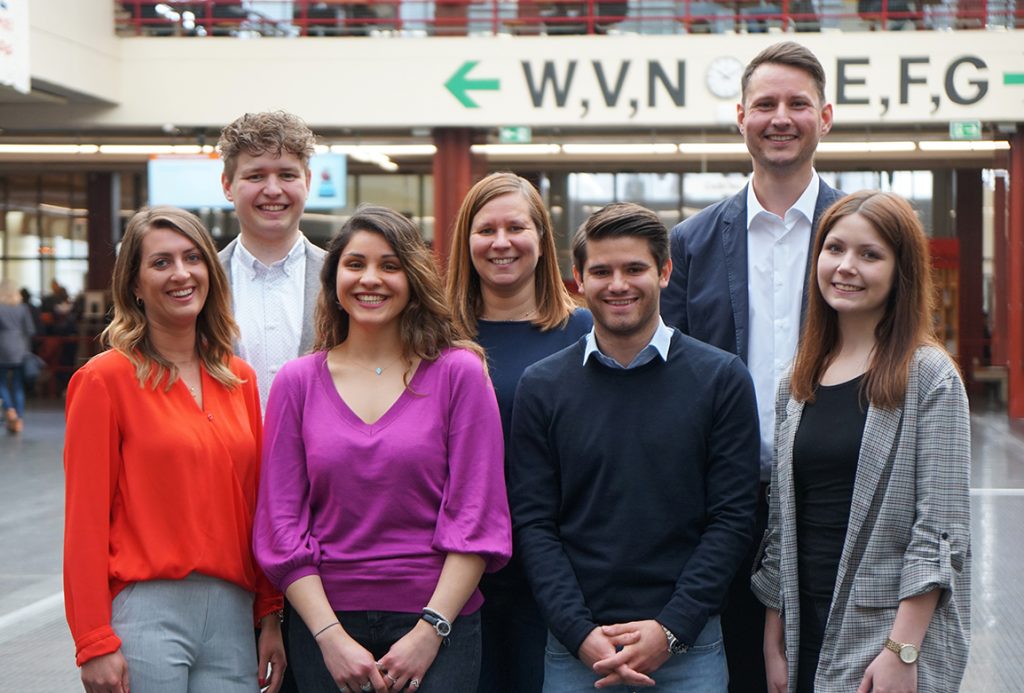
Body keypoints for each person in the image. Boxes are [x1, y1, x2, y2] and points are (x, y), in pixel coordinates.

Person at [253, 205, 512, 693]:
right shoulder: (297, 382)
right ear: (333, 279)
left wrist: (430, 631)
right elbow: (280, 525)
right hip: (325, 624)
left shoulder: (459, 373)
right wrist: (329, 637)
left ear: (412, 278)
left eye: (389, 265)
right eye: (355, 264)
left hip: (439, 625)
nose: (371, 279)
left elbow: (478, 516)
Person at [509, 202, 760, 692]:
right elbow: (533, 522)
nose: (618, 284)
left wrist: (671, 629)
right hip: (577, 649)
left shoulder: (721, 379)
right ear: (577, 279)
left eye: (634, 269)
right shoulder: (541, 386)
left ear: (664, 272)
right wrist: (579, 632)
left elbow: (733, 518)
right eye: (601, 271)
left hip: (688, 647)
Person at [660, 41, 844, 693]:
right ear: (740, 116)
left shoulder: (863, 235)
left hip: (834, 497)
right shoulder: (689, 244)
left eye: (798, 103)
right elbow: (670, 383)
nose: (780, 117)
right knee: (736, 668)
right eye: (764, 103)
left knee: (829, 666)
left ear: (826, 115)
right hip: (724, 505)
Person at [752, 191, 971, 693]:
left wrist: (902, 650)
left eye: (870, 255)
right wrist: (774, 635)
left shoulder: (928, 376)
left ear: (901, 271)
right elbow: (783, 521)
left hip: (884, 634)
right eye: (834, 249)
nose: (846, 267)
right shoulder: (798, 378)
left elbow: (941, 532)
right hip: (804, 626)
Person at [62, 206, 285, 693]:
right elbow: (84, 522)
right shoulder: (104, 380)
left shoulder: (238, 378)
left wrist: (270, 614)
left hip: (232, 614)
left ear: (210, 270)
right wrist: (93, 639)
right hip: (146, 611)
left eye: (192, 258)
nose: (181, 274)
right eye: (160, 263)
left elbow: (256, 504)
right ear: (135, 285)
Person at [445, 172, 593, 693]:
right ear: (466, 241)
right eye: (486, 230)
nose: (501, 242)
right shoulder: (437, 335)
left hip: (558, 573)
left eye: (516, 227)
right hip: (456, 573)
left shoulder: (585, 333)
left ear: (541, 238)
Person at [218, 110, 326, 413]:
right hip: (226, 457)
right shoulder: (197, 281)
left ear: (307, 181)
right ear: (227, 186)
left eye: (287, 175)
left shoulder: (342, 279)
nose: (273, 190)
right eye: (256, 176)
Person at [0, 279, 36, 433]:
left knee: (1, 382)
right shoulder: (22, 308)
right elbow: (30, 330)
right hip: (20, 348)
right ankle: (19, 419)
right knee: (18, 385)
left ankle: (9, 408)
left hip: (2, 347)